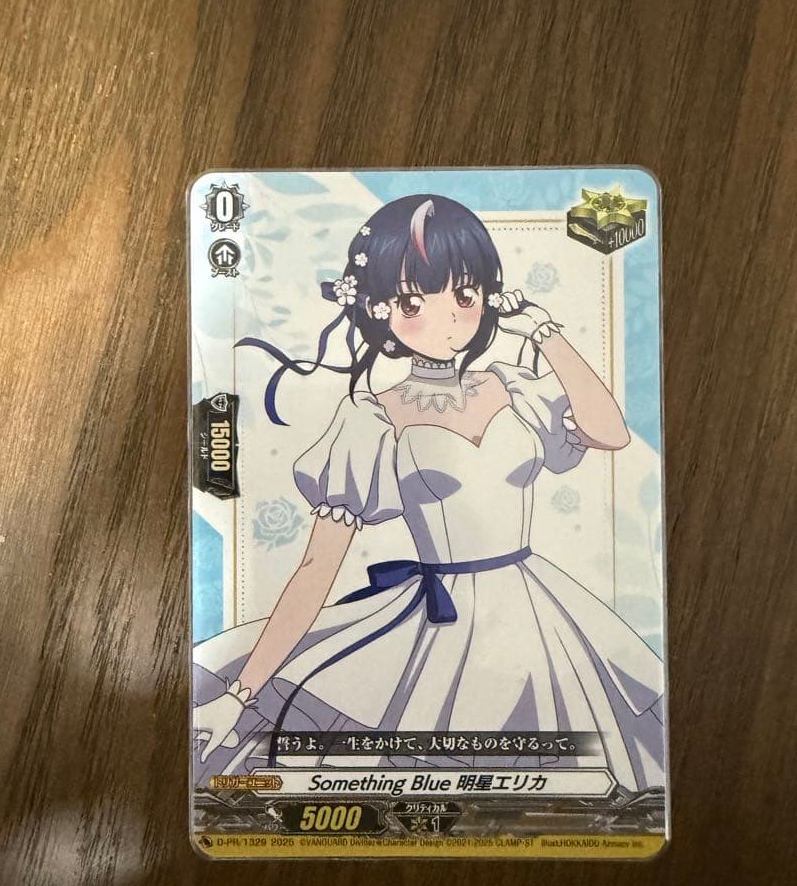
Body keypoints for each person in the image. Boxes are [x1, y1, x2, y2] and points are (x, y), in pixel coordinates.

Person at [192, 194, 664, 790]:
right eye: (415, 302)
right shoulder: (373, 418)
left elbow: (610, 432)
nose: (449, 320)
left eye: (465, 295)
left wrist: (544, 331)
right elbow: (316, 568)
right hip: (439, 623)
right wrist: (239, 693)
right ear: (379, 308)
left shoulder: (514, 386)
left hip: (539, 608)